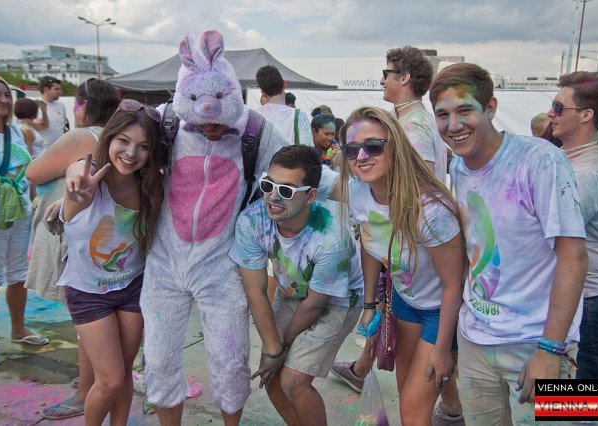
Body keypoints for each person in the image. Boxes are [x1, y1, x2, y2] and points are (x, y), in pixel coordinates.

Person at [139, 30, 297, 426]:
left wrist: (362, 190)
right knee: (158, 359)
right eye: (200, 117)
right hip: (164, 263)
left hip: (222, 266)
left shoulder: (255, 131)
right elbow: (115, 145)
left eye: (218, 118)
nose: (210, 126)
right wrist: (80, 168)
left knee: (230, 360)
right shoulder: (166, 121)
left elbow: (300, 169)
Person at [430, 63, 587, 425]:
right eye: (442, 115)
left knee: (580, 413)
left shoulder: (542, 159)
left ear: (491, 108)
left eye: (464, 110)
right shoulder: (459, 167)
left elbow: (575, 257)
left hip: (541, 342)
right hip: (476, 341)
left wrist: (551, 349)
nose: (453, 125)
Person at [334, 106, 465, 425]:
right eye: (351, 149)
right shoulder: (359, 191)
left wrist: (444, 348)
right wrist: (369, 304)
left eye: (373, 146)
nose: (361, 156)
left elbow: (454, 285)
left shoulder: (430, 210)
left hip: (443, 311)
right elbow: (370, 244)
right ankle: (453, 413)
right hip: (406, 304)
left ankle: (584, 407)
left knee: (412, 410)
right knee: (409, 397)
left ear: (395, 145)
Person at [230, 144, 363, 426]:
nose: (273, 197)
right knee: (271, 376)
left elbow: (315, 305)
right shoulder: (251, 221)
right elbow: (255, 292)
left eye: (287, 191)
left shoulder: (332, 237)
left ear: (311, 195)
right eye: (268, 185)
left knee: (293, 380)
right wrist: (273, 350)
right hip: (291, 292)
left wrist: (283, 345)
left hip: (339, 299)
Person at [56, 100, 163, 425]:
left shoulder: (151, 187)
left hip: (132, 287)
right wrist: (74, 190)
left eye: (143, 146)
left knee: (124, 372)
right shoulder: (88, 178)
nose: (131, 153)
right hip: (88, 292)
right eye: (124, 141)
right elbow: (75, 174)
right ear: (109, 138)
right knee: (110, 379)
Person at [25, 78, 120, 420]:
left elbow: (33, 172)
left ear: (84, 105)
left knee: (86, 320)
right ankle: (94, 383)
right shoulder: (115, 137)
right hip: (105, 237)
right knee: (95, 319)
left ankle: (85, 392)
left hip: (75, 232)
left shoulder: (84, 136)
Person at [548, 71, 598, 423]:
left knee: (593, 386)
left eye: (559, 107)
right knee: (588, 385)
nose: (551, 114)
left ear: (586, 115)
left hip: (589, 296)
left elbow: (555, 239)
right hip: (587, 293)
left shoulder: (586, 174)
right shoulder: (580, 157)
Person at [0, 74, 47, 369]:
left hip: (19, 212)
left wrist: (35, 202)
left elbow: (26, 171)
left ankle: (19, 329)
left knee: (19, 274)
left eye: (6, 95)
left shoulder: (16, 134)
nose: (3, 100)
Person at [380, 45, 447, 181]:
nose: (382, 81)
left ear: (404, 78)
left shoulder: (415, 126)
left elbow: (422, 185)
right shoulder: (405, 119)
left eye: (386, 74)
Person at [255, 65, 313, 146]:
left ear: (263, 93)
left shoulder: (254, 117)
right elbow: (308, 149)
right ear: (285, 83)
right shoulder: (299, 116)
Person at [32, 76, 66, 149]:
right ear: (46, 90)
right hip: (43, 151)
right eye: (56, 89)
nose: (60, 92)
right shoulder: (34, 106)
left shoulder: (61, 106)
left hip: (60, 150)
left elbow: (62, 128)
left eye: (60, 89)